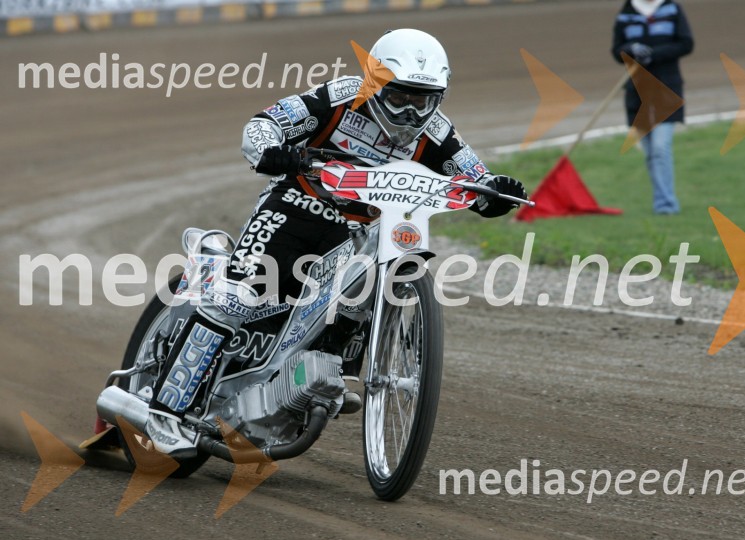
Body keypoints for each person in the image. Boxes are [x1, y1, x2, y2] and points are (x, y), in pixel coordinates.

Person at [144, 28, 528, 456]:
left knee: (368, 280)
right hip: (296, 207)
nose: (408, 112)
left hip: (359, 232)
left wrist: (494, 191)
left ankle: (331, 367)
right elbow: (265, 124)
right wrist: (274, 150)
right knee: (235, 296)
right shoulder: (338, 97)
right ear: (376, 83)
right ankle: (167, 410)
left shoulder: (437, 132)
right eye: (399, 97)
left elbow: (474, 175)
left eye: (422, 100)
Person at [612, 0, 694, 214]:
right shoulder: (626, 13)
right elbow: (616, 50)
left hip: (667, 91)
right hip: (637, 94)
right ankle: (662, 201)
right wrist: (630, 49)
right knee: (650, 153)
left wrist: (654, 54)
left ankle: (666, 205)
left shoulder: (672, 9)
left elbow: (686, 44)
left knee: (660, 148)